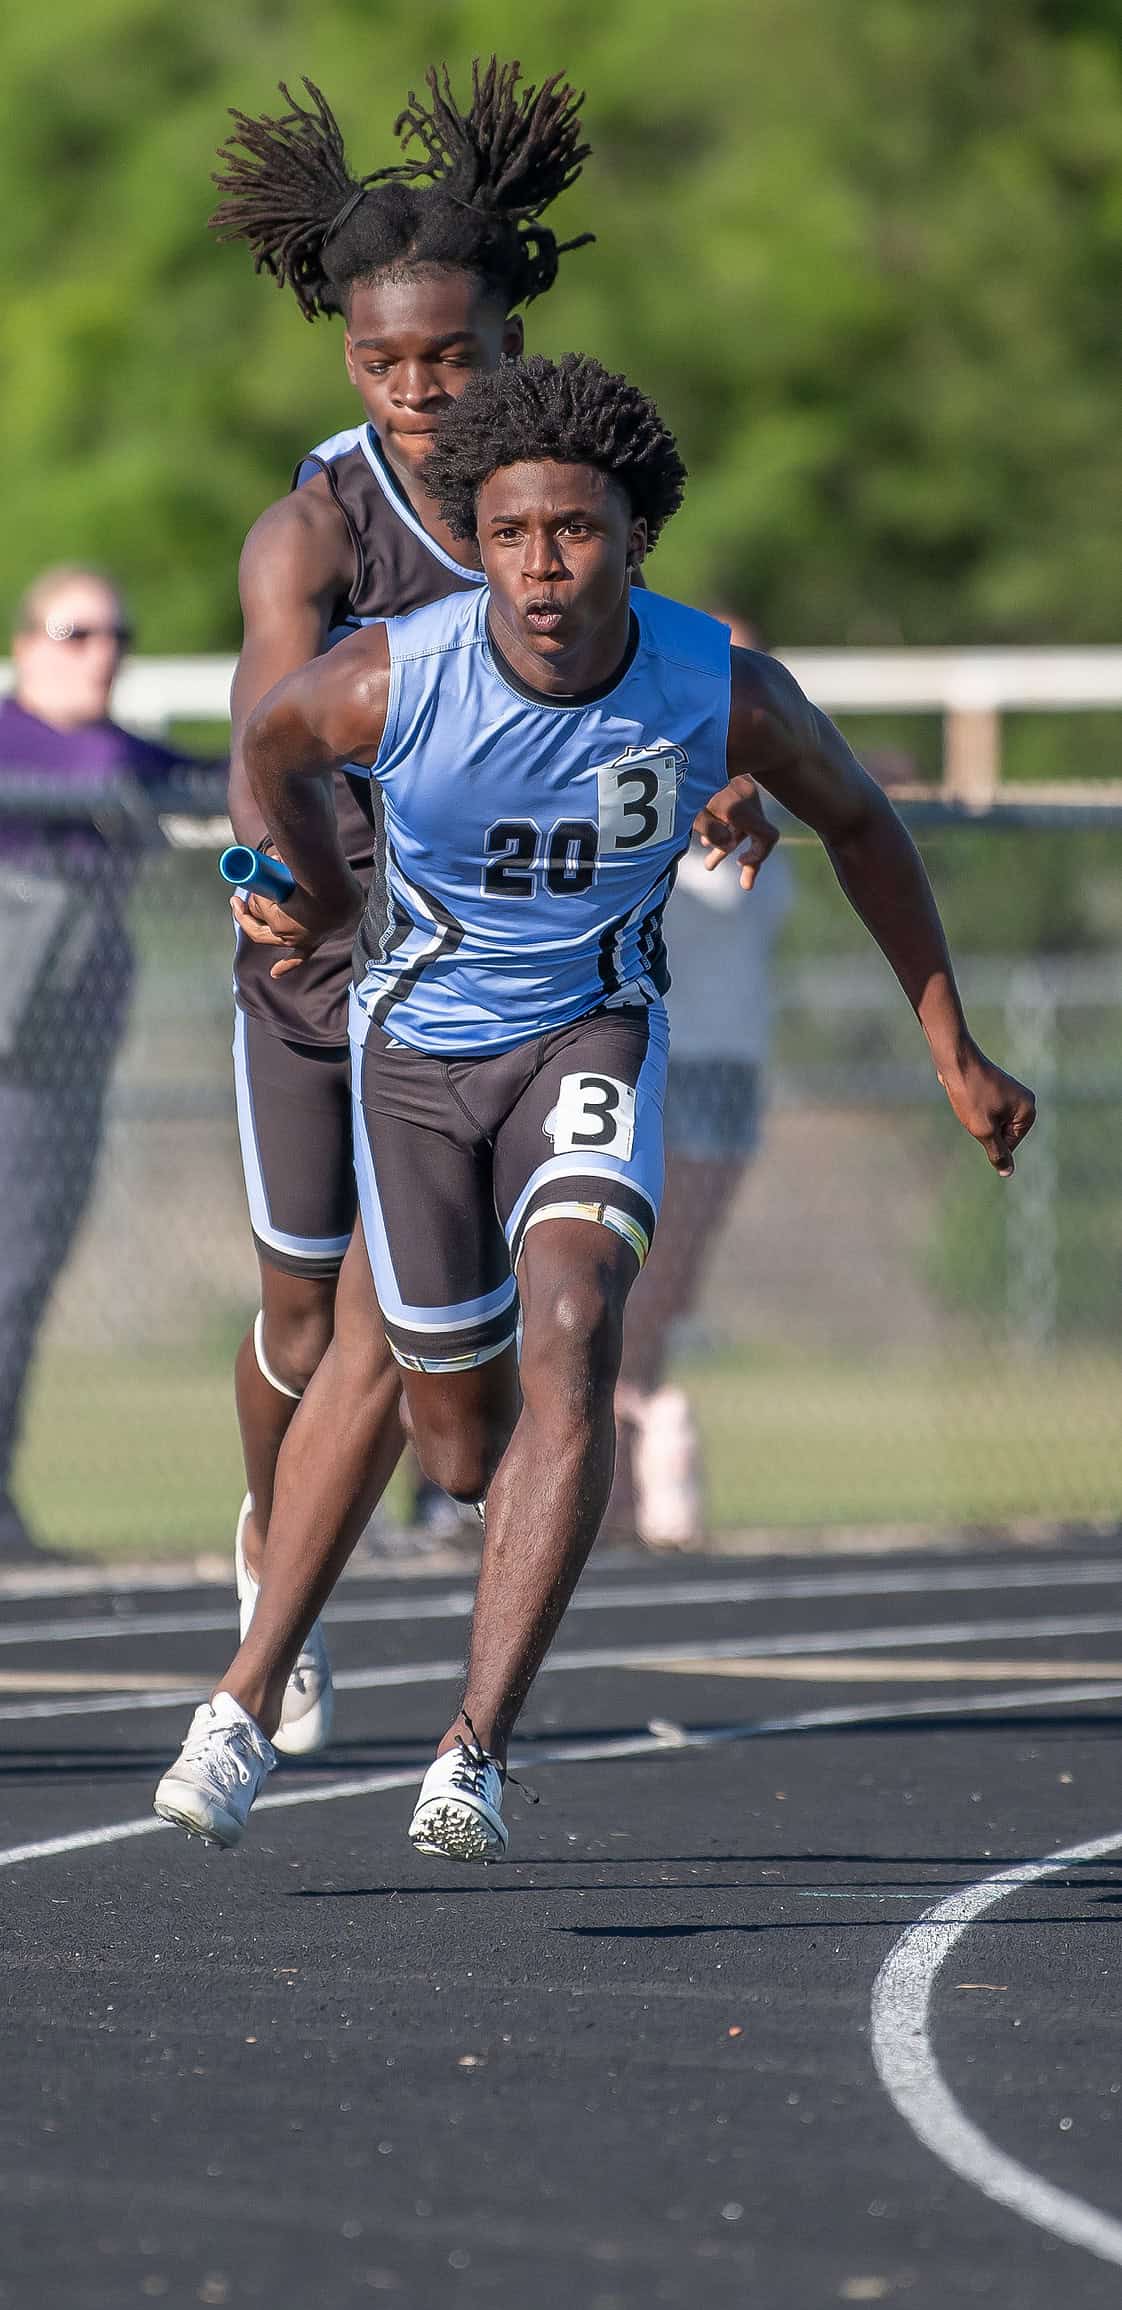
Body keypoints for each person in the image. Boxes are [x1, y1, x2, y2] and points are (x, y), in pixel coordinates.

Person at [154, 352, 1034, 1861]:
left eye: (575, 531)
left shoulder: (716, 685)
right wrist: (301, 885)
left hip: (590, 1038)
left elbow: (862, 822)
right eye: (510, 535)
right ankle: (252, 1676)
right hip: (418, 1058)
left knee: (573, 1324)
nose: (543, 569)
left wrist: (951, 1046)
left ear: (634, 536)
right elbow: (269, 747)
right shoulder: (393, 675)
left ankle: (465, 1747)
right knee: (450, 1437)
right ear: (474, 538)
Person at [210, 58, 765, 1738]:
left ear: (514, 339)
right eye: (383, 362)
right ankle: (269, 1550)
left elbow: (670, 686)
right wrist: (273, 878)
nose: (418, 391)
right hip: (324, 950)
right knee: (305, 1311)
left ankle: (347, 1599)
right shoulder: (312, 529)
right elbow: (267, 729)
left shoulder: (564, 501)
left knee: (416, 1330)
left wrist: (720, 789)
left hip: (493, 980)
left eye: (450, 356)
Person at [0, 566, 206, 1563]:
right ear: (29, 645)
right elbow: (97, 780)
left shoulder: (118, 749)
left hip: (55, 1072)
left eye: (116, 634)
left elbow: (222, 778)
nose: (103, 653)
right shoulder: (19, 742)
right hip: (11, 1063)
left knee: (23, 1277)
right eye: (77, 633)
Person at [608, 610, 792, 1546]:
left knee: (672, 1286)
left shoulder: (772, 782)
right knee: (633, 1274)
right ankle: (615, 1460)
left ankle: (633, 1434)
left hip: (731, 1060)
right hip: (655, 1049)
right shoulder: (648, 777)